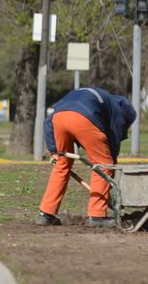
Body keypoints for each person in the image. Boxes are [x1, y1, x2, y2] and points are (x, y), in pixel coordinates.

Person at [36, 87, 137, 227]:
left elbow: (48, 122)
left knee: (62, 164)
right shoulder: (119, 110)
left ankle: (46, 213)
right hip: (84, 117)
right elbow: (112, 145)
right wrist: (110, 173)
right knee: (104, 164)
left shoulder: (101, 98)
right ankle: (97, 216)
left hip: (59, 118)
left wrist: (54, 151)